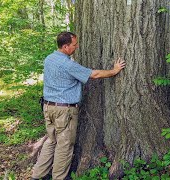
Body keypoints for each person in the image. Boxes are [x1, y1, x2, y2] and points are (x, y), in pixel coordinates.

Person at [31, 32, 126, 180]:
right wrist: (114, 71)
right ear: (65, 46)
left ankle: (38, 175)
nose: (77, 47)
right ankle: (59, 177)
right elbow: (95, 75)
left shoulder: (49, 59)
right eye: (74, 45)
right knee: (65, 145)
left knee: (51, 140)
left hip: (48, 107)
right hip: (64, 111)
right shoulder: (68, 65)